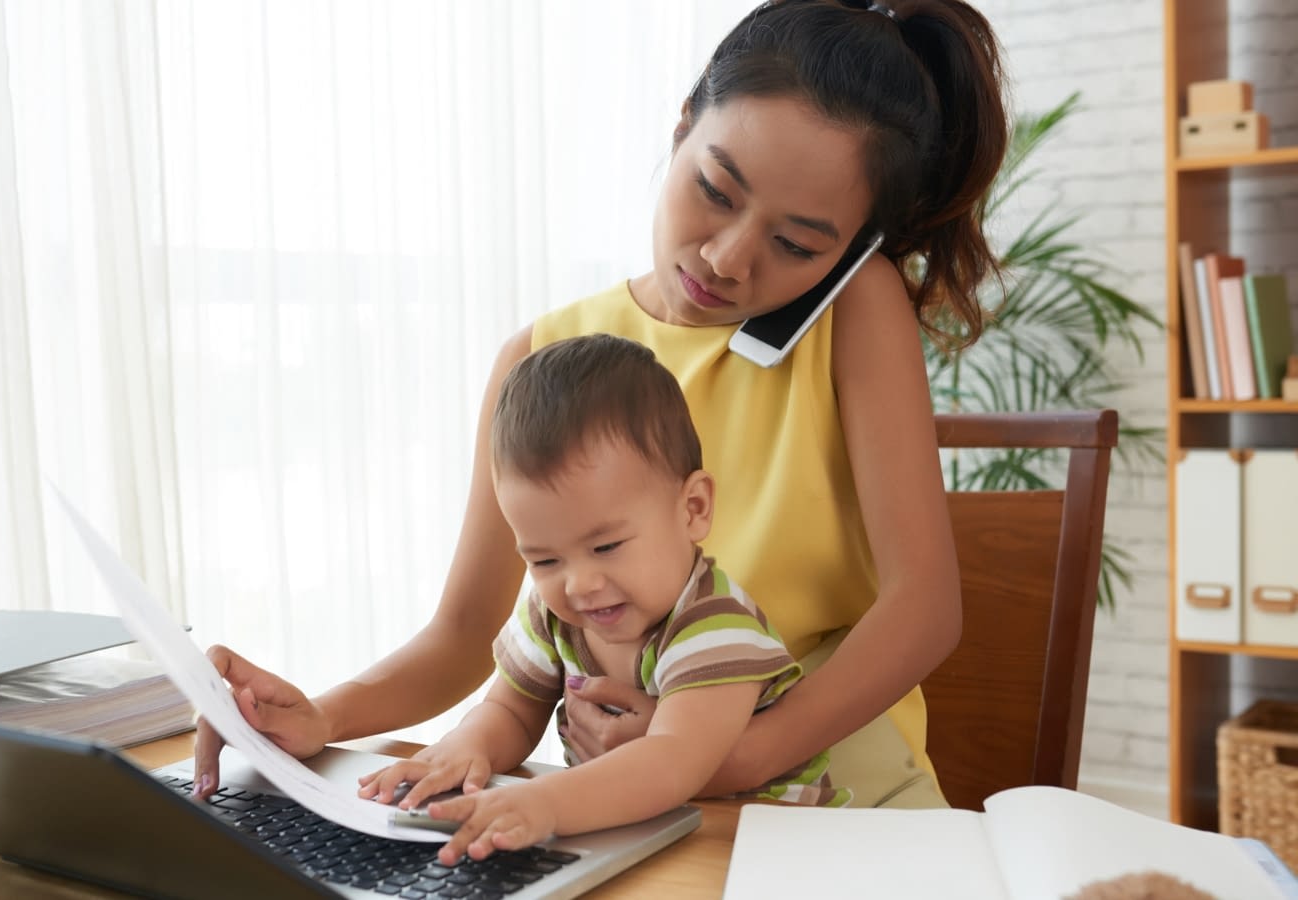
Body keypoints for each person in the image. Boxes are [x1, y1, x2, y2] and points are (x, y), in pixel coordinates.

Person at [195, 0, 1007, 813]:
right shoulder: (540, 356)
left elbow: (924, 610)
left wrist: (726, 757)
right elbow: (465, 639)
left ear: (857, 245)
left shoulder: (857, 309)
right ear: (683, 124)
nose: (728, 258)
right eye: (716, 191)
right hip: (632, 807)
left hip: (834, 806)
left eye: (797, 245)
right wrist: (318, 717)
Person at [357, 333, 849, 862]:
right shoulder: (554, 615)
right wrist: (461, 752)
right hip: (644, 828)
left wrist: (544, 802)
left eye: (606, 545)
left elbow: (670, 762)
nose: (578, 584)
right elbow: (511, 711)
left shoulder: (715, 627)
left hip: (767, 844)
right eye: (544, 560)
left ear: (694, 508)